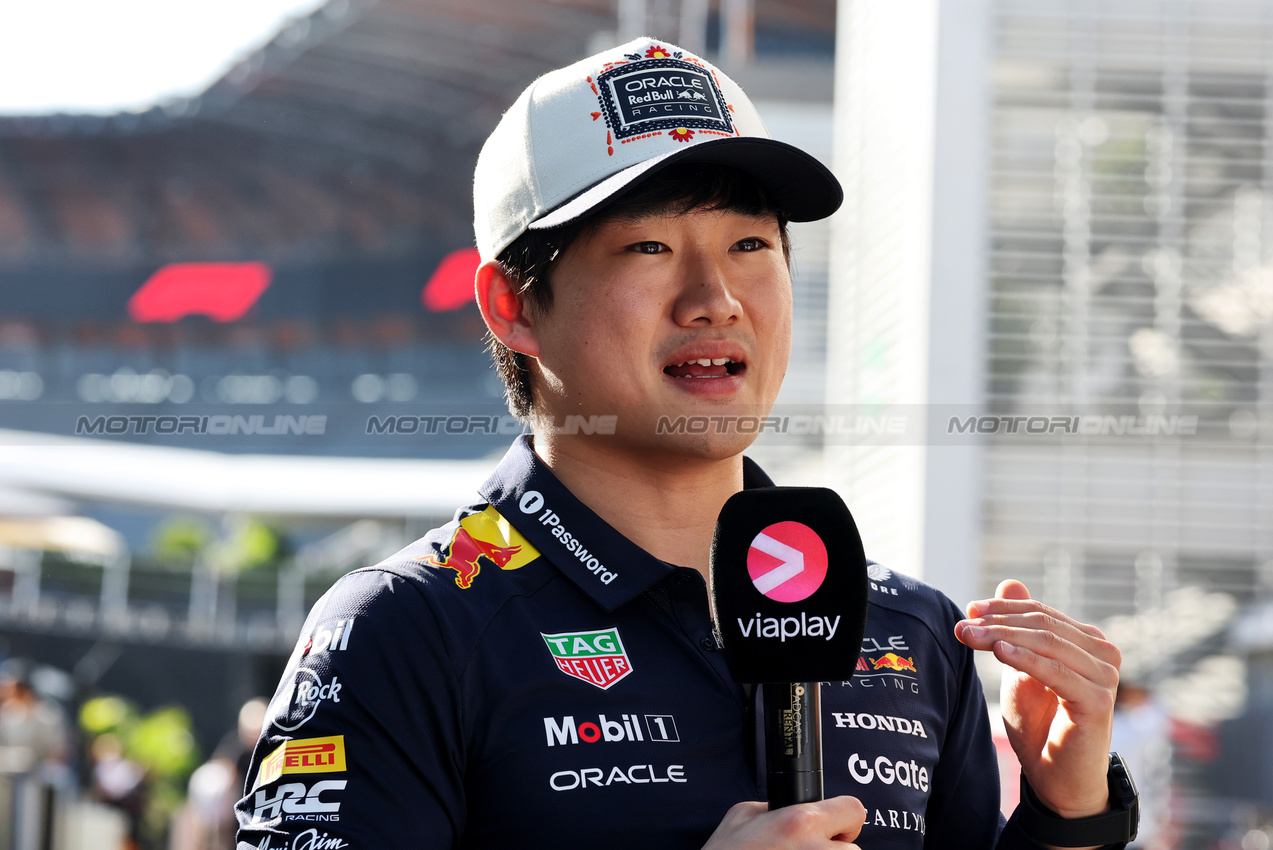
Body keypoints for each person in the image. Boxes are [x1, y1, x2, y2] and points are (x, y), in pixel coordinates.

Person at [235, 37, 1128, 850]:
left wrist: (1068, 815)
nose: (715, 297)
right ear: (513, 305)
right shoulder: (405, 629)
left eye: (748, 243)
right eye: (650, 246)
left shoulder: (910, 629)